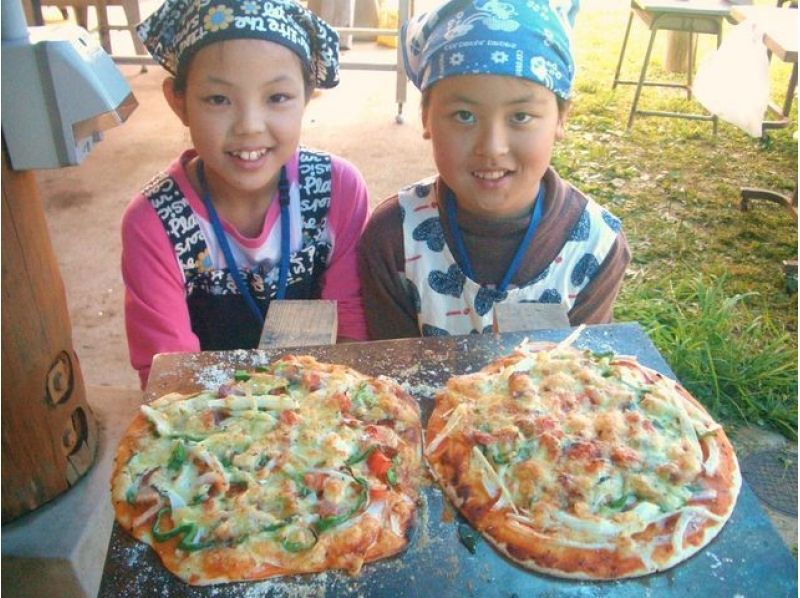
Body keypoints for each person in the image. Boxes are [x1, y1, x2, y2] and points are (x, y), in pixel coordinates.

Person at [123, 0, 369, 387]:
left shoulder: (337, 190)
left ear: (308, 96)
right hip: (210, 425)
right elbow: (170, 377)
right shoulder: (153, 224)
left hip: (320, 417)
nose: (250, 127)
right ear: (178, 102)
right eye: (219, 100)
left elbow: (351, 332)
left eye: (277, 97)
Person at [358, 0, 630, 339]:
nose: (491, 147)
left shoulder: (595, 246)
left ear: (561, 118)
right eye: (464, 116)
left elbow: (577, 378)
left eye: (520, 117)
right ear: (426, 116)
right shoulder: (392, 238)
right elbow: (389, 378)